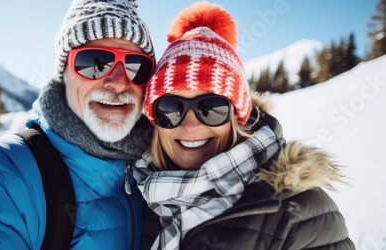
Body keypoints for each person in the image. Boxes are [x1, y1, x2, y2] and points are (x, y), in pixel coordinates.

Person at [0, 0, 155, 249]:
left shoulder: (157, 176)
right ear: (63, 74)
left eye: (137, 66)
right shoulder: (2, 176)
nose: (120, 82)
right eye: (95, 63)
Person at [134, 2, 355, 249]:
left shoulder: (297, 216)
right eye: (171, 109)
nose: (190, 125)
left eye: (211, 108)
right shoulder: (140, 197)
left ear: (238, 117)